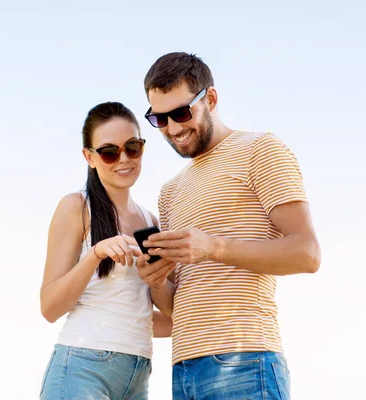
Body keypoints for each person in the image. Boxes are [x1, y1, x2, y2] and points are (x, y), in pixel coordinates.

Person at [135, 52, 321, 400]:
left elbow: (307, 253)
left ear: (211, 99)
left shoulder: (260, 150)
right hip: (183, 369)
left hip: (245, 361)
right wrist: (156, 280)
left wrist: (213, 247)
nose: (173, 129)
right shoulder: (170, 191)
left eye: (181, 112)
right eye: (160, 119)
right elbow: (179, 305)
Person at [39, 101, 174, 400]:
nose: (124, 159)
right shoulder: (76, 207)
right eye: (109, 152)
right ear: (89, 157)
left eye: (133, 146)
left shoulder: (151, 221)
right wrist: (95, 254)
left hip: (137, 375)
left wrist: (160, 282)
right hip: (82, 368)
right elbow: (49, 307)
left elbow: (160, 316)